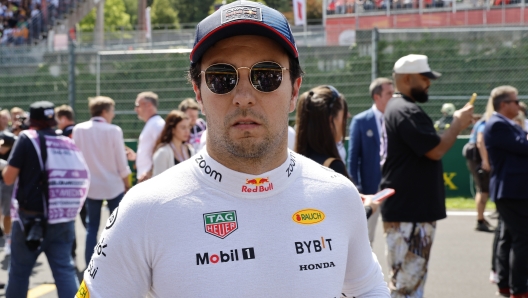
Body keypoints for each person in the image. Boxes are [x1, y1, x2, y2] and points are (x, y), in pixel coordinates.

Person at [77, 1, 389, 297]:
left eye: (265, 76)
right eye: (221, 78)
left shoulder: (338, 195)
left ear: (294, 91)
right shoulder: (144, 210)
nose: (243, 96)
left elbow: (369, 289)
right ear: (198, 93)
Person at [381, 54, 473, 297]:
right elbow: (436, 150)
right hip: (409, 213)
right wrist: (457, 123)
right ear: (408, 78)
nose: (429, 83)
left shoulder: (400, 107)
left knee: (409, 282)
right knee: (406, 285)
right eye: (425, 78)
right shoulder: (405, 110)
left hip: (409, 211)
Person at [2, 101, 89, 297]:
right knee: (65, 271)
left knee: (19, 272)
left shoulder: (26, 139)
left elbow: (9, 177)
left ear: (32, 120)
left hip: (30, 220)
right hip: (63, 218)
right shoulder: (66, 142)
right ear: (53, 120)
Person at [295, 85, 382, 220]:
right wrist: (370, 207)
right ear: (331, 121)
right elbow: (349, 223)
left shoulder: (294, 164)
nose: (348, 116)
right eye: (344, 115)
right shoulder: (332, 168)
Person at [73, 96, 131, 267]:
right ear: (104, 111)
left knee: (92, 228)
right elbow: (122, 162)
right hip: (113, 185)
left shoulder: (79, 129)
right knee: (118, 227)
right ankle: (117, 264)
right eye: (112, 111)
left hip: (90, 187)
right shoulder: (114, 130)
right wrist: (127, 184)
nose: (113, 114)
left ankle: (89, 265)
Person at [484, 86, 528, 298]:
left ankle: (505, 284)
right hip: (512, 190)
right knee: (522, 239)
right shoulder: (498, 125)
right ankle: (519, 289)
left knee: (510, 237)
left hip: (513, 189)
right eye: (515, 101)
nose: (519, 105)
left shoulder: (507, 124)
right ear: (504, 104)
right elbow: (523, 147)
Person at [348, 77, 394, 244]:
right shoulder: (361, 121)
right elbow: (353, 158)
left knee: (395, 238)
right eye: (389, 93)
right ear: (377, 97)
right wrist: (356, 188)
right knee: (366, 240)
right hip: (370, 192)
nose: (393, 96)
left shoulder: (397, 118)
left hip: (393, 190)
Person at [463, 96, 494, 232]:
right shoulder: (486, 121)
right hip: (477, 156)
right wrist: (485, 161)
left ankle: (481, 218)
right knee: (483, 188)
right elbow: (480, 141)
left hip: (476, 155)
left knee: (483, 188)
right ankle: (480, 219)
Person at [134, 91, 165, 182]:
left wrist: (150, 171)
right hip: (147, 177)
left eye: (138, 105)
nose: (135, 109)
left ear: (149, 105)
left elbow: (162, 149)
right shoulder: (153, 123)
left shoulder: (156, 124)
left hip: (151, 178)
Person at [152, 110, 194, 177]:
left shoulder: (191, 150)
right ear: (172, 129)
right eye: (183, 127)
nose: (187, 131)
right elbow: (158, 182)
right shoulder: (163, 153)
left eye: (188, 127)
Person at [0, 131, 15, 255]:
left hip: (8, 185)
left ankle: (8, 238)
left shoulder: (14, 153)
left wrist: (5, 166)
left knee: (7, 213)